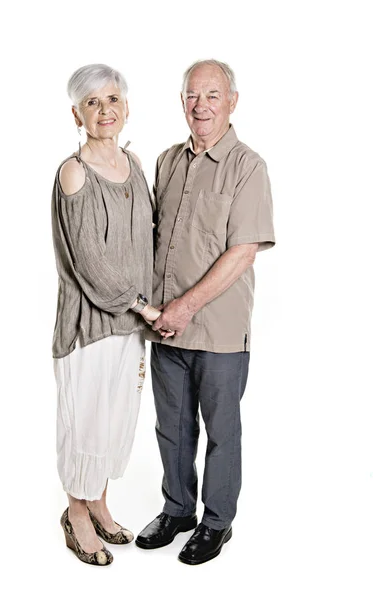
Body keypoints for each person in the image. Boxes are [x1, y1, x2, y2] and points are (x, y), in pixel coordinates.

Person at [135, 59, 276, 565]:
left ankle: (217, 522)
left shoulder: (248, 166)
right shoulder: (167, 161)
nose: (201, 105)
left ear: (232, 101)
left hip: (217, 331)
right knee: (171, 428)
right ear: (181, 102)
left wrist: (185, 305)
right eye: (193, 95)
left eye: (212, 95)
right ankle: (178, 510)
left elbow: (242, 251)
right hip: (165, 329)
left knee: (222, 432)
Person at [51, 64, 163, 566]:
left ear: (126, 107)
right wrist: (144, 305)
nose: (105, 111)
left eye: (112, 99)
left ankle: (98, 503)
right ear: (77, 113)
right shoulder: (74, 172)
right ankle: (76, 514)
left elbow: (147, 242)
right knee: (86, 424)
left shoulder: (134, 164)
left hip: (130, 327)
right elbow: (91, 264)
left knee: (116, 421)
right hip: (89, 328)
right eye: (93, 103)